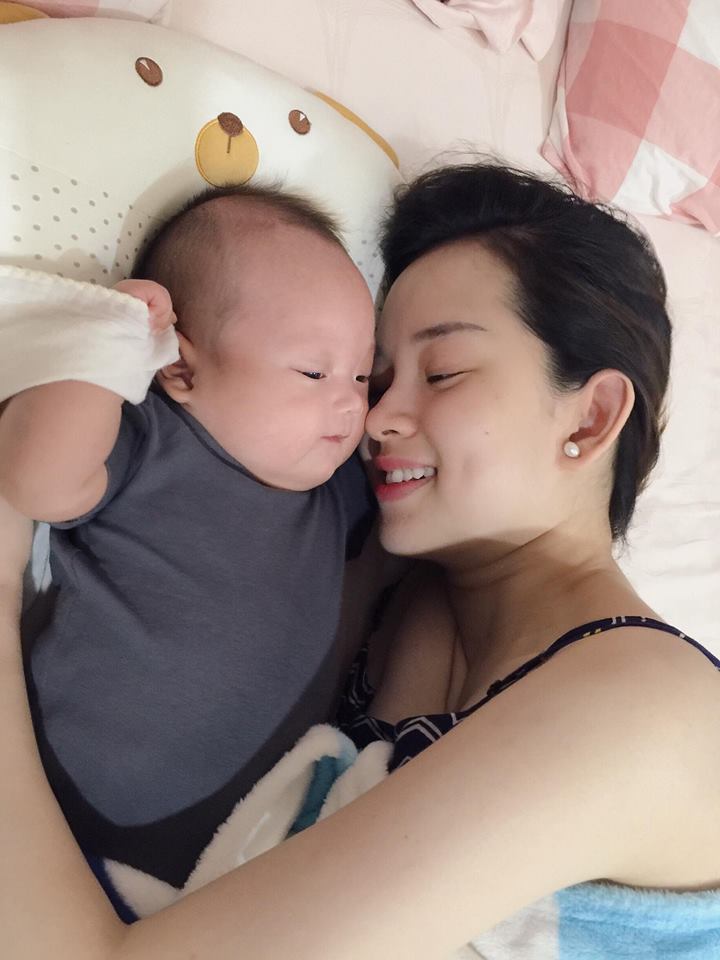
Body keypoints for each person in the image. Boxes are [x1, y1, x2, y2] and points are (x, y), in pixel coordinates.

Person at [2, 161, 720, 959]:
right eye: (376, 380)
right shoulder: (395, 593)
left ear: (589, 418)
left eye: (442, 373)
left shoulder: (650, 714)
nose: (373, 418)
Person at [0, 184, 378, 902]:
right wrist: (108, 343)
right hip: (59, 823)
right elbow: (36, 482)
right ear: (180, 369)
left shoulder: (338, 495)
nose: (352, 400)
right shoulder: (152, 441)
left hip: (230, 865)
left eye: (362, 372)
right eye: (313, 371)